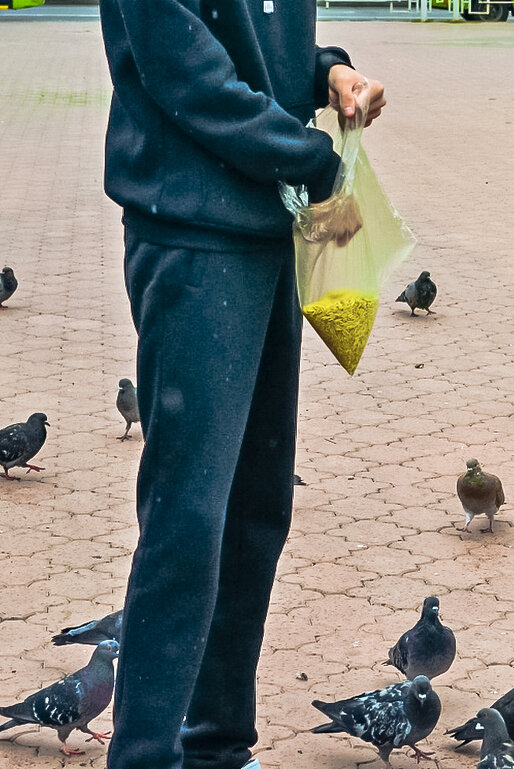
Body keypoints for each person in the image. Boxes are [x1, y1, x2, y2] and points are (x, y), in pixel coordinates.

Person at [97, 2, 385, 767]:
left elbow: (256, 43)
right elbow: (185, 69)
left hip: (271, 220)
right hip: (193, 232)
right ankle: (146, 756)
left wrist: (328, 72)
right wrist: (316, 159)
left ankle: (217, 746)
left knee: (258, 507)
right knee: (188, 518)